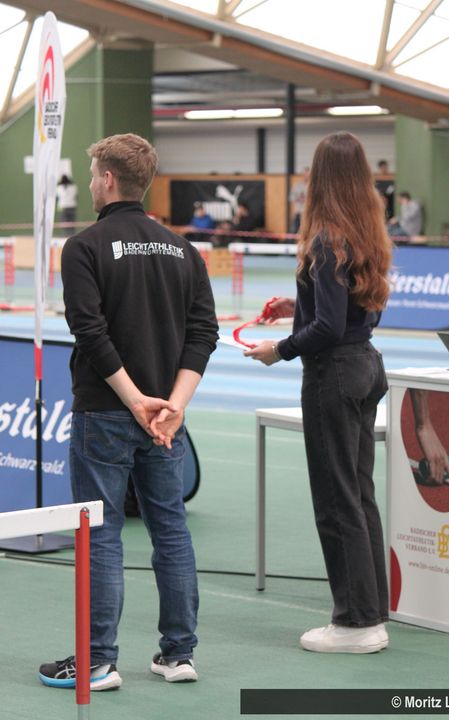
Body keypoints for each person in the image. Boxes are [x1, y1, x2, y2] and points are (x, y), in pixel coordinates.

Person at [39, 133, 218, 690]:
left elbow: (89, 332)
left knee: (101, 534)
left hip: (107, 413)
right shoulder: (184, 251)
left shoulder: (83, 246)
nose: (91, 183)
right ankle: (179, 655)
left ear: (109, 179)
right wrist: (173, 407)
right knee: (171, 531)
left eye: (94, 174)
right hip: (164, 421)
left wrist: (134, 399)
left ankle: (98, 660)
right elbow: (204, 334)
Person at [245, 132, 392, 654]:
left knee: (335, 501)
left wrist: (279, 349)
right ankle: (372, 613)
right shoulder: (366, 231)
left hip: (335, 374)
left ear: (319, 177)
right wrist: (298, 306)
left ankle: (355, 623)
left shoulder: (327, 238)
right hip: (367, 366)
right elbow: (353, 310)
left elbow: (328, 328)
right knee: (359, 496)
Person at [289, 167, 309, 233]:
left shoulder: (311, 186)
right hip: (299, 212)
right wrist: (299, 199)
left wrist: (306, 199)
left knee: (308, 231)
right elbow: (291, 197)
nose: (306, 176)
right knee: (293, 231)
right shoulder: (297, 185)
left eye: (307, 174)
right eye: (305, 174)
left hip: (308, 213)